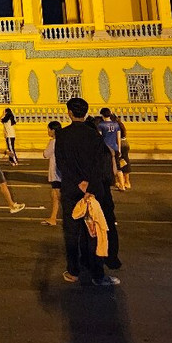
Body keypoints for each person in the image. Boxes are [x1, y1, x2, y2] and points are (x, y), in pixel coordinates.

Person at [55, 98, 118, 286]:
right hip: (91, 192)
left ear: (69, 113)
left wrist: (77, 183)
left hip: (71, 190)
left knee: (72, 232)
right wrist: (89, 185)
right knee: (93, 231)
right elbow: (98, 165)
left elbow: (61, 164)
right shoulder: (94, 136)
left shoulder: (62, 135)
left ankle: (73, 271)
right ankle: (97, 273)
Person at [97, 108, 125, 190]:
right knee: (117, 166)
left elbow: (100, 138)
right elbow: (118, 137)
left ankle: (109, 183)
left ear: (102, 115)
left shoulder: (101, 125)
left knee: (107, 167)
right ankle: (122, 184)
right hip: (115, 147)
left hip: (106, 149)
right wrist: (119, 149)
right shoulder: (116, 124)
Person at [42, 121, 62, 226]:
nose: (48, 131)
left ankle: (53, 218)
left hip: (56, 172)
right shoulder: (64, 140)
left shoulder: (53, 142)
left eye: (49, 129)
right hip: (64, 172)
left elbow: (46, 154)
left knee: (55, 195)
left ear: (53, 130)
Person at [116, 114, 132, 190]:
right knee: (125, 161)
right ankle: (126, 181)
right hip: (125, 142)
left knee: (120, 163)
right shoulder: (121, 124)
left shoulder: (116, 126)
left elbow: (117, 137)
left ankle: (124, 182)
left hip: (120, 144)